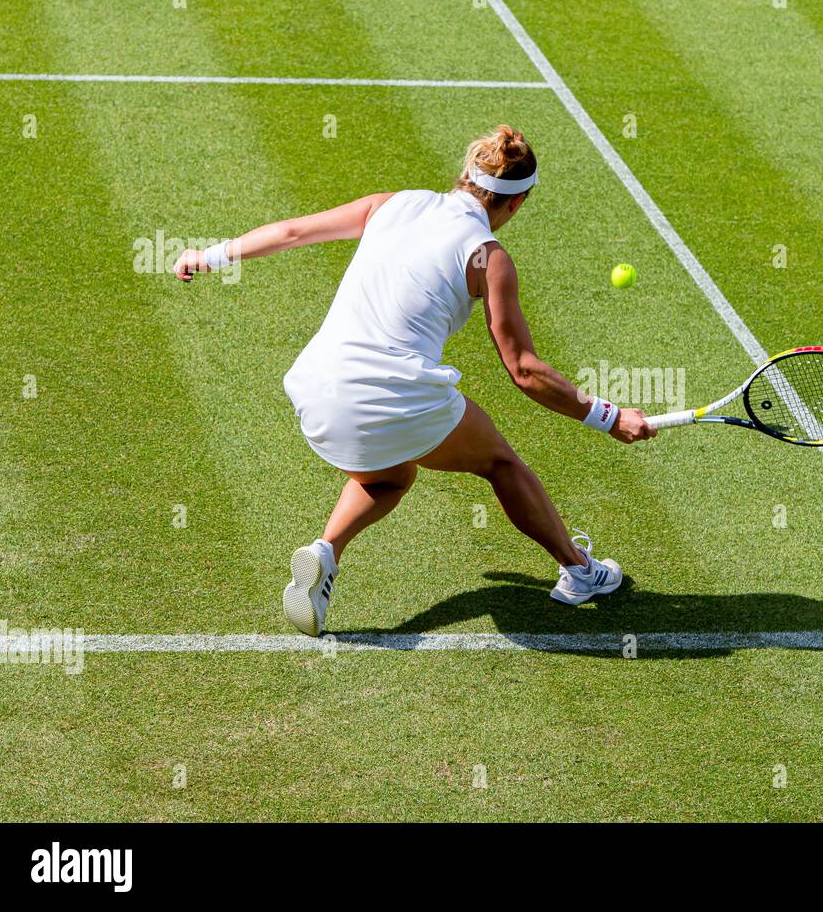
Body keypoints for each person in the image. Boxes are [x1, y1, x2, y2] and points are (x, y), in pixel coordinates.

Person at [174, 125, 655, 636]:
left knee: (391, 476)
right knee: (497, 461)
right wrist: (610, 416)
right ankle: (581, 572)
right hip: (393, 394)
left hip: (316, 388)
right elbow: (525, 371)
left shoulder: (391, 204)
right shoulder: (489, 258)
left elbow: (293, 232)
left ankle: (325, 552)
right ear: (515, 205)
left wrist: (210, 255)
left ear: (464, 176)